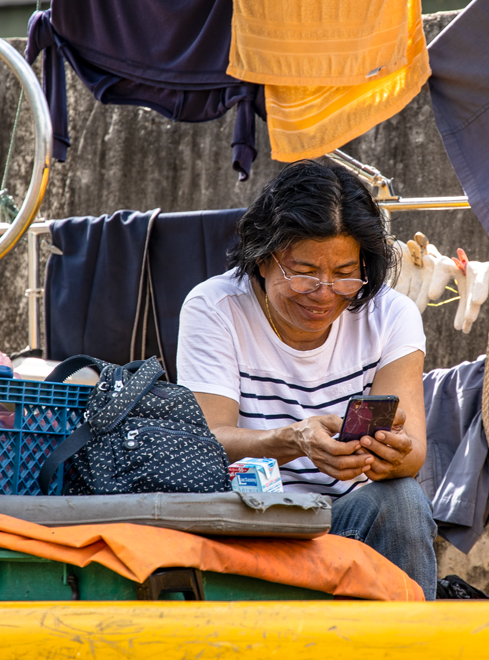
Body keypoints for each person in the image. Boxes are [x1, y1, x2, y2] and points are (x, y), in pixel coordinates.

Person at [176, 160, 437, 598]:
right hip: (251, 517)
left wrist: (390, 452)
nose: (323, 292)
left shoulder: (391, 314)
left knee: (404, 502)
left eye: (343, 274)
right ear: (261, 259)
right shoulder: (215, 308)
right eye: (303, 272)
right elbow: (208, 443)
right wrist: (295, 440)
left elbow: (413, 455)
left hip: (351, 516)